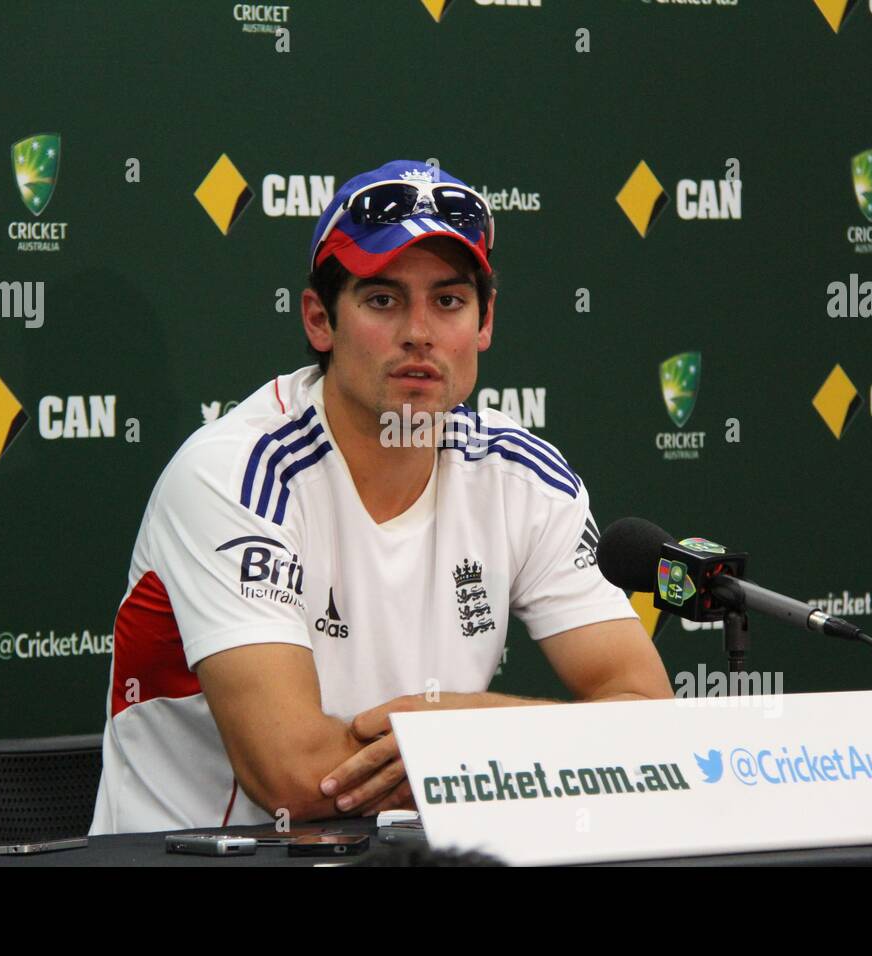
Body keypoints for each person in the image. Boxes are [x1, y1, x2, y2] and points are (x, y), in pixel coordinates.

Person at [89, 159, 672, 835]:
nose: (419, 332)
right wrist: (503, 745)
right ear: (318, 321)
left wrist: (462, 726)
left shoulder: (523, 475)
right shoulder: (234, 475)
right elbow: (295, 775)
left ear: (484, 325)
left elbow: (647, 722)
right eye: (383, 300)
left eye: (448, 302)